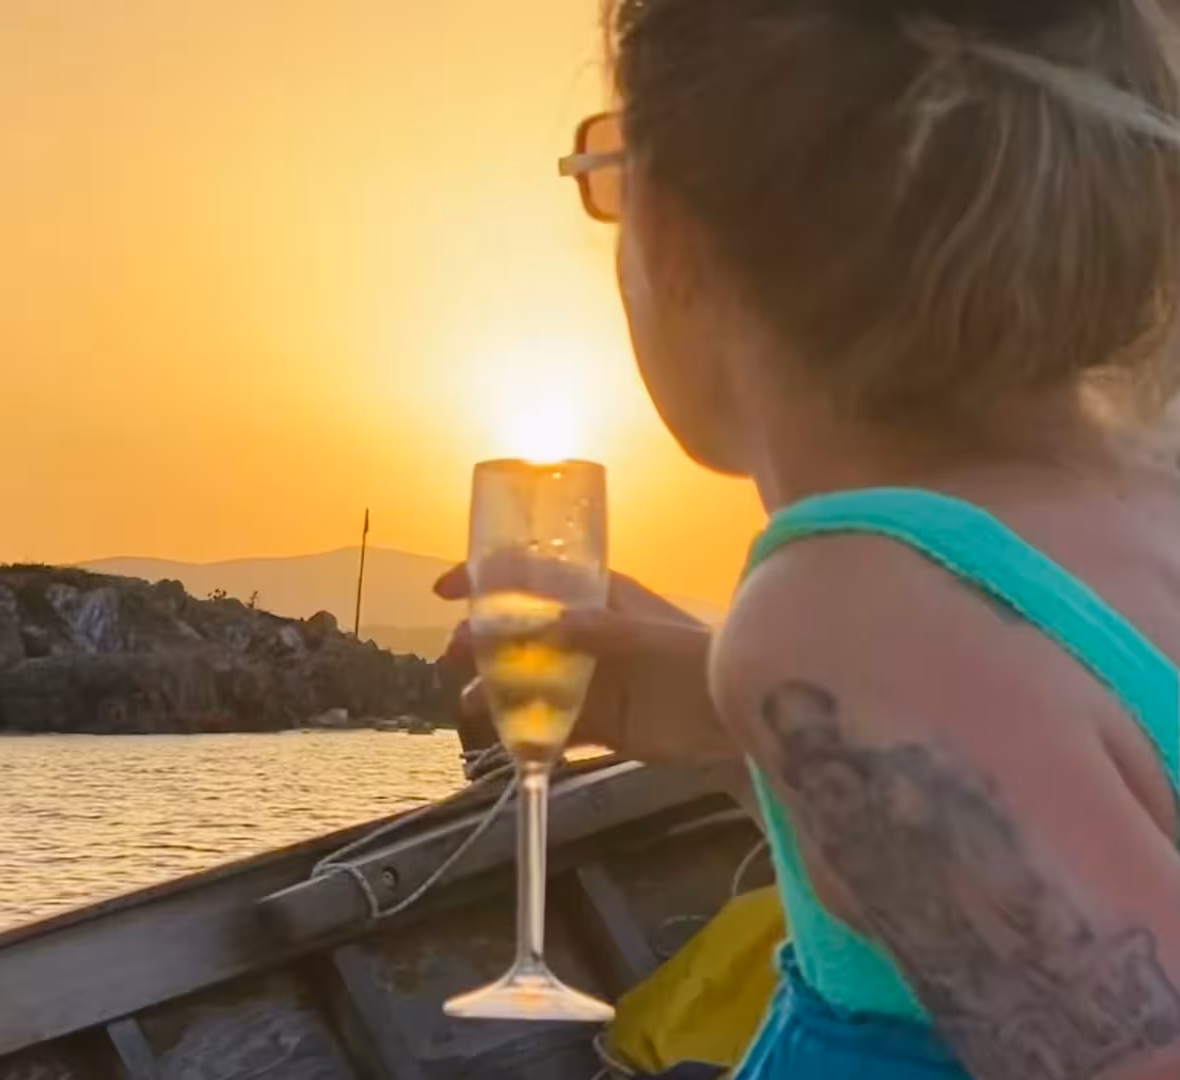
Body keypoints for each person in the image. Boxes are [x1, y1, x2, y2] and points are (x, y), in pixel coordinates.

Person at [441, 0, 1180, 1077]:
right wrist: (740, 727)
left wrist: (802, 661)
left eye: (607, 169)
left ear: (670, 230)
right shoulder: (1142, 503)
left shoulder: (844, 616)